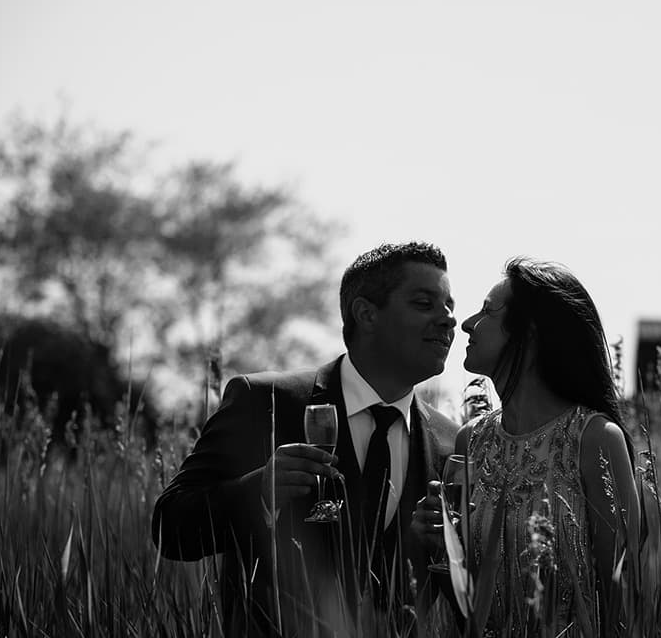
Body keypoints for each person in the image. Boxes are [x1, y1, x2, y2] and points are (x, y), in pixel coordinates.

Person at [153, 242, 460, 637]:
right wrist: (259, 492)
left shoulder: (452, 444)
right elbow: (169, 528)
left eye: (450, 306)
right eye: (425, 303)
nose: (448, 319)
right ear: (366, 313)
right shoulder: (264, 401)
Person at [414, 257, 640, 637]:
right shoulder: (471, 440)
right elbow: (463, 599)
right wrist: (434, 545)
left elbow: (626, 595)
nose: (467, 323)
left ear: (530, 333)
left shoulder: (594, 439)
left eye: (487, 311)